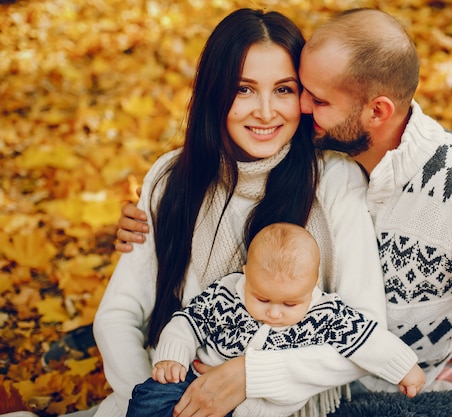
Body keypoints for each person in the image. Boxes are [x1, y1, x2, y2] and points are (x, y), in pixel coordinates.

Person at [116, 8, 452, 417]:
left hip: (383, 393)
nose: (296, 108)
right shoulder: (333, 154)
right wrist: (149, 222)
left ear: (378, 112)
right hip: (258, 355)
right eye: (297, 89)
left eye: (313, 98)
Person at [92, 8, 389, 417]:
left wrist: (251, 375)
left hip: (286, 406)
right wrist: (145, 400)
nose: (265, 112)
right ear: (215, 91)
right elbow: (120, 314)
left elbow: (365, 329)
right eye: (244, 89)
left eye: (284, 90)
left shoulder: (334, 182)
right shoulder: (171, 177)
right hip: (167, 395)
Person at [127, 222, 425, 417]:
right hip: (195, 379)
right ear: (246, 274)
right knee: (150, 398)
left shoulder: (325, 314)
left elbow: (367, 338)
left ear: (313, 286)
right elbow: (188, 322)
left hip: (259, 406)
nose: (274, 312)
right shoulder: (228, 294)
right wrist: (172, 358)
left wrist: (404, 367)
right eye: (262, 298)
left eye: (290, 303)